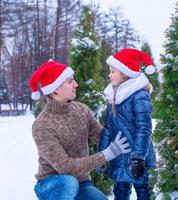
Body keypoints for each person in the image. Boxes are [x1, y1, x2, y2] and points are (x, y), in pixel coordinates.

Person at [29, 61, 131, 200]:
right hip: (51, 183)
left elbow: (102, 137)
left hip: (81, 182)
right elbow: (65, 167)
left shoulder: (81, 110)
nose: (76, 84)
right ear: (56, 89)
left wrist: (128, 134)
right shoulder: (42, 125)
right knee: (69, 183)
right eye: (70, 81)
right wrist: (106, 155)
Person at [98, 48, 156, 200]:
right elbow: (109, 128)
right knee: (120, 193)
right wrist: (102, 155)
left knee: (144, 192)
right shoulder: (113, 96)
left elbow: (144, 129)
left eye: (113, 72)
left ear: (125, 73)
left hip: (138, 157)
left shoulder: (139, 96)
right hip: (120, 154)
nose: (109, 75)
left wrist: (138, 158)